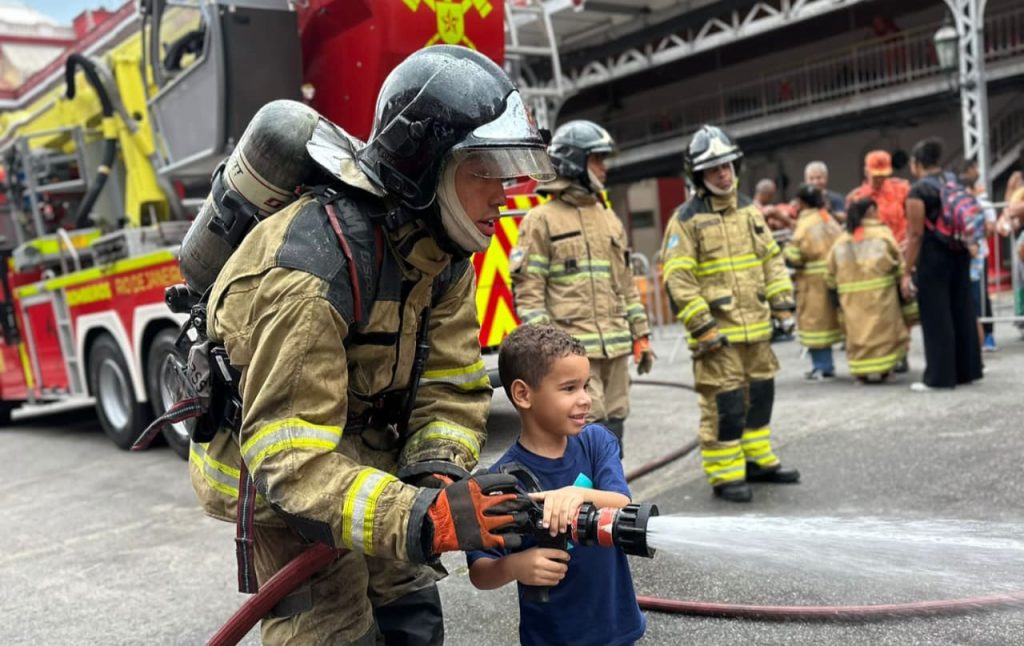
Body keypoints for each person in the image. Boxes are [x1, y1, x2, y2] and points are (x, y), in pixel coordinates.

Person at [191, 46, 550, 645]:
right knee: (333, 629)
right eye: (484, 170)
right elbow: (291, 458)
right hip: (281, 484)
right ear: (428, 165)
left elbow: (451, 385)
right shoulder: (311, 271)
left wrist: (436, 480)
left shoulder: (445, 253)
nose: (505, 193)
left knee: (412, 615)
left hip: (370, 462)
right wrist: (416, 517)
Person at [466, 324, 646, 646]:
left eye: (586, 386)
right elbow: (480, 571)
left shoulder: (596, 443)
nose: (585, 400)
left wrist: (576, 495)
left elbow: (622, 503)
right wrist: (514, 566)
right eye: (569, 388)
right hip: (553, 638)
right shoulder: (502, 482)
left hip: (617, 628)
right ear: (523, 394)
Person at [660, 124, 800, 503]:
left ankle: (757, 461)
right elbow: (678, 276)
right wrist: (702, 326)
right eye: (714, 168)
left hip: (756, 329)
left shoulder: (749, 212)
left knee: (761, 395)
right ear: (699, 176)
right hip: (717, 336)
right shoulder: (685, 220)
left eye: (727, 165)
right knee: (726, 406)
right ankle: (725, 474)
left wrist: (783, 303)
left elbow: (770, 259)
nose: (723, 173)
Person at [510, 120, 653, 457]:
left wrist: (641, 334)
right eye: (596, 159)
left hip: (615, 348)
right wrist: (545, 353)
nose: (604, 168)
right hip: (573, 355)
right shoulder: (541, 220)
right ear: (575, 163)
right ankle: (586, 501)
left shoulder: (609, 219)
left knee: (615, 425)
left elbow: (625, 284)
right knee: (587, 428)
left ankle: (611, 494)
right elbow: (530, 291)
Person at [902, 137, 983, 392]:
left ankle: (939, 377)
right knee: (962, 310)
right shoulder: (954, 181)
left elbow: (916, 235)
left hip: (934, 257)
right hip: (959, 250)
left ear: (916, 164)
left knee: (937, 316)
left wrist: (907, 271)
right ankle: (967, 370)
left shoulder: (918, 191)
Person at [826, 198, 912, 382]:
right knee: (883, 333)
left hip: (851, 299)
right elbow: (897, 262)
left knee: (857, 334)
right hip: (881, 296)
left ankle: (860, 374)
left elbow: (830, 272)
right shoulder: (882, 234)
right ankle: (885, 371)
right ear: (871, 211)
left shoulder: (841, 239)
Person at [783, 183, 843, 380]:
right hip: (834, 277)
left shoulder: (805, 223)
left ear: (800, 202)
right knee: (832, 320)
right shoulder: (828, 218)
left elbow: (795, 254)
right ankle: (827, 365)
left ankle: (822, 366)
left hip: (812, 282)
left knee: (815, 324)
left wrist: (785, 250)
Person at [959, 158, 999, 352]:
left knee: (980, 296)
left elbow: (990, 230)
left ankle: (987, 334)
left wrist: (977, 237)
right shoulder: (957, 206)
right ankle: (972, 338)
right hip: (962, 257)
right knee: (966, 298)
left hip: (978, 257)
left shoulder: (982, 205)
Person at [846, 150, 911, 246]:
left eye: (883, 176)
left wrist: (908, 241)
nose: (880, 179)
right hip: (874, 250)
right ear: (866, 172)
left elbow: (913, 220)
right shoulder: (856, 198)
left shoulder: (902, 189)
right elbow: (854, 230)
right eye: (876, 176)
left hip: (902, 246)